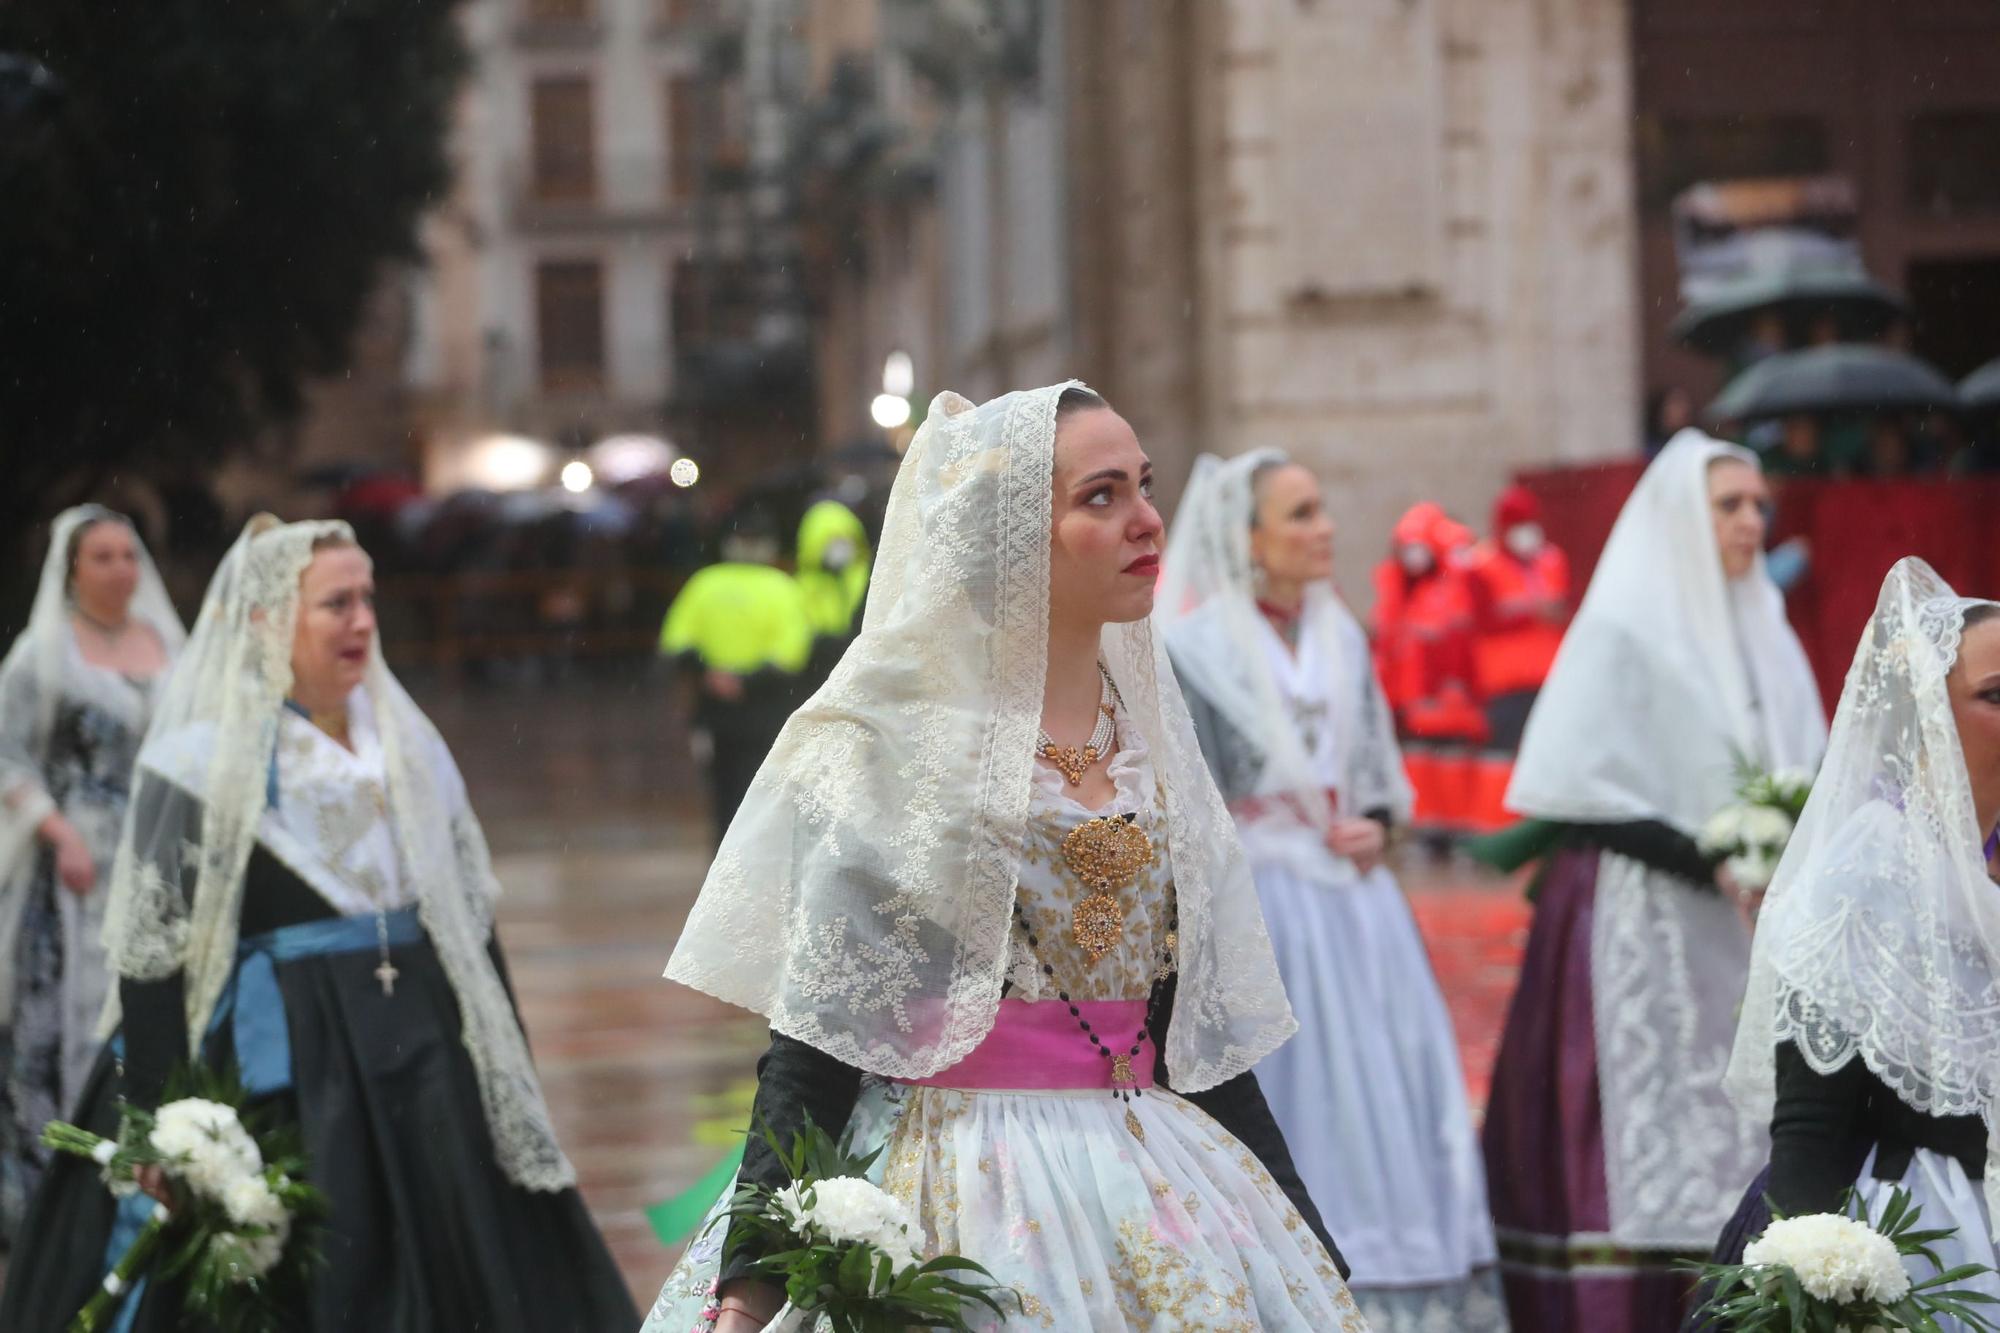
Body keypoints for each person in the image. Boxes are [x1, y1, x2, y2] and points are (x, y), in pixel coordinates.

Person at [643, 384, 1367, 1332]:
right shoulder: (905, 746)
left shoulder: (1151, 739)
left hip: (1162, 1176)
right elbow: (817, 1047)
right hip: (960, 1187)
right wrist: (748, 1287)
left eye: (1143, 487)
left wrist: (1303, 1233)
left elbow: (1188, 1033)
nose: (1148, 521)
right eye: (1100, 496)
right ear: (1015, 536)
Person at [0, 516, 636, 1331]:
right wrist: (162, 1118)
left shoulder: (410, 749)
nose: (363, 619)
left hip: (428, 1061)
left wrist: (505, 1059)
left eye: (368, 597)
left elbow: (469, 922)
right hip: (291, 1064)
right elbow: (154, 950)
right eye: (336, 603)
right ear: (269, 622)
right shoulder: (200, 762)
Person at [1480, 429, 1828, 1333]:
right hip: (1637, 908)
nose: (1752, 521)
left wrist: (1777, 843)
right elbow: (1581, 787)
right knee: (1643, 1139)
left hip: (1746, 924)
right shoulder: (1627, 626)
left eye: (1760, 505)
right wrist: (1704, 852)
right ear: (1683, 515)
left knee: (1746, 1125)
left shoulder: (1768, 628)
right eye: (1730, 505)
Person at [1157, 450, 1508, 1332]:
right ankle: (1296, 1269)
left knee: (1381, 1084)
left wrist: (1378, 824)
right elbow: (1184, 795)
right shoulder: (1195, 649)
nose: (1326, 529)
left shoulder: (1340, 632)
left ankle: (1397, 1276)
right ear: (1249, 538)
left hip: (1357, 908)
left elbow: (1377, 775)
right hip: (1266, 906)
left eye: (1320, 510)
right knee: (1296, 1089)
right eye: (1302, 513)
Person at [1692, 561, 2000, 1331]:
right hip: (1918, 1234)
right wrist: (1813, 1288)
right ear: (1929, 708)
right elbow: (1810, 1120)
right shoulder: (1863, 871)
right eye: (1996, 695)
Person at [0, 507, 184, 1244]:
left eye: (128, 555)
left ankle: (158, 1171)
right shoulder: (43, 653)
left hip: (160, 856)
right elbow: (6, 750)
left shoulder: (169, 645)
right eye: (102, 556)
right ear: (72, 568)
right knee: (70, 1027)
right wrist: (54, 825)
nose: (119, 570)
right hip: (76, 867)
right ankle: (59, 1199)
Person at [657, 514, 816, 846]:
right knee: (765, 788)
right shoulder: (783, 587)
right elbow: (791, 655)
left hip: (715, 710)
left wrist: (711, 674)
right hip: (765, 708)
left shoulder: (704, 583)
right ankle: (758, 855)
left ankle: (724, 860)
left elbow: (675, 644)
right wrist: (747, 681)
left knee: (722, 791)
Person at [1372, 503, 1487, 845]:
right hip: (1409, 700)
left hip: (1448, 700)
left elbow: (1457, 642)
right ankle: (1426, 833)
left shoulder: (1449, 589)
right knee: (1419, 767)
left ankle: (1455, 834)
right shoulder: (1396, 589)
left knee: (1450, 767)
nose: (1413, 556)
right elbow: (1391, 646)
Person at [1464, 485, 1571, 831]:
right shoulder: (1481, 564)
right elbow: (1482, 621)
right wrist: (1530, 612)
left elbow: (1566, 609)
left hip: (1550, 677)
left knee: (1551, 756)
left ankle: (1545, 828)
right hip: (1505, 682)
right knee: (1503, 760)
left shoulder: (1552, 558)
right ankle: (1498, 828)